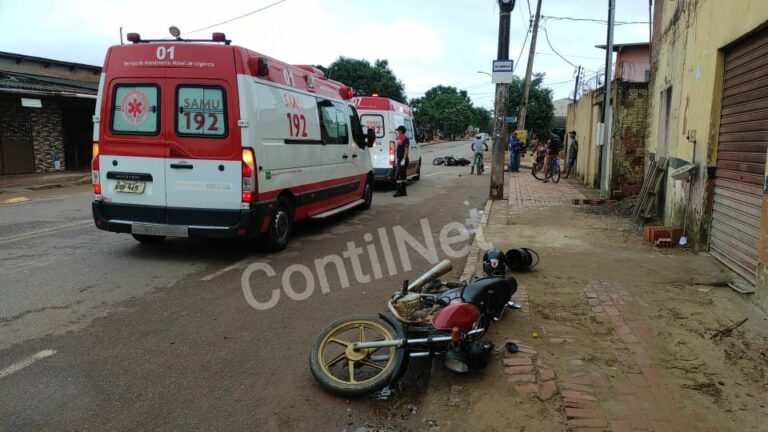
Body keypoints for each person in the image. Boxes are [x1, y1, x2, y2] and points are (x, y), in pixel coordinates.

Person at [393, 125, 409, 197]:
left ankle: (399, 191)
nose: (397, 131)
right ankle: (404, 192)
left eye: (398, 130)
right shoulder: (400, 137)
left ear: (401, 131)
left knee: (398, 176)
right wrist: (393, 132)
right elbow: (397, 137)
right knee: (403, 176)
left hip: (403, 160)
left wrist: (403, 160)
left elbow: (406, 150)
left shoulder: (405, 139)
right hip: (400, 159)